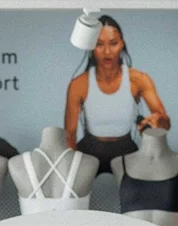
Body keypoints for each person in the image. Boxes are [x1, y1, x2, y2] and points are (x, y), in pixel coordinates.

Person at [64, 15, 171, 171]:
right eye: (99, 44)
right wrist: (72, 171)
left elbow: (165, 122)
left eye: (113, 43)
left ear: (122, 44)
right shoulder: (79, 84)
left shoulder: (139, 80)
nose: (107, 51)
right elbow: (70, 136)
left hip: (126, 150)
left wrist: (158, 122)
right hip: (89, 150)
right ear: (91, 47)